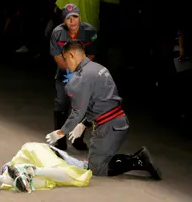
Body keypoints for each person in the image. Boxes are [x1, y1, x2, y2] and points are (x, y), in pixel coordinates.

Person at [46, 40, 162, 179]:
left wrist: (61, 132)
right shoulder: (98, 68)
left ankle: (137, 160)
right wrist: (84, 124)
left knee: (97, 169)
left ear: (71, 55)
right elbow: (101, 101)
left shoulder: (82, 77)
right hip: (118, 121)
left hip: (108, 127)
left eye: (65, 59)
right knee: (95, 162)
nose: (66, 64)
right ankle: (133, 158)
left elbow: (77, 112)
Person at [0, 142, 92, 194]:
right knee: (74, 175)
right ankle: (27, 171)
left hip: (18, 163)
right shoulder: (74, 162)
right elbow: (81, 166)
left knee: (42, 183)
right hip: (36, 151)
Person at [50, 4, 97, 151]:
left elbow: (91, 54)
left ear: (80, 17)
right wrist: (70, 72)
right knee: (61, 104)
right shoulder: (57, 33)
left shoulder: (89, 31)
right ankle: (60, 140)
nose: (72, 21)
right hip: (64, 70)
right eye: (68, 18)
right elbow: (57, 57)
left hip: (83, 70)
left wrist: (79, 73)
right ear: (64, 20)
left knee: (81, 106)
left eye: (75, 17)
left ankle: (77, 139)